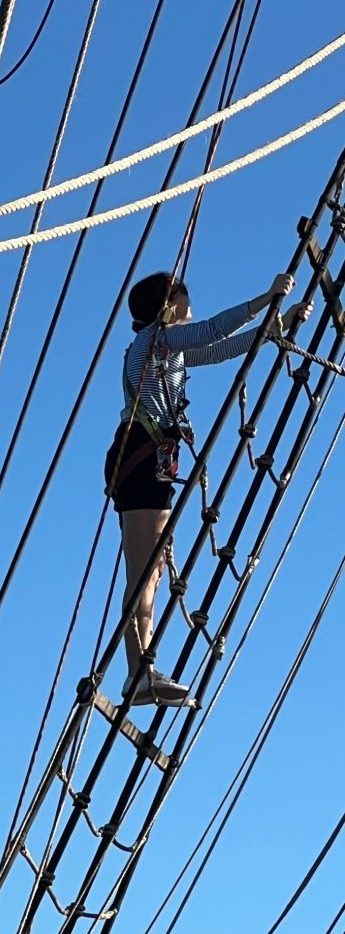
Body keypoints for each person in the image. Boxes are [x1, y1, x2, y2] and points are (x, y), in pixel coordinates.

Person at [104, 271, 312, 706]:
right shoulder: (155, 340)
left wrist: (279, 323)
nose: (190, 304)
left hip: (151, 460)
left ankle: (144, 669)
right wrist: (265, 298)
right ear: (168, 306)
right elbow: (213, 331)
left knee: (153, 571)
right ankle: (136, 673)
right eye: (184, 298)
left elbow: (219, 350)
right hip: (141, 456)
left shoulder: (166, 349)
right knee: (142, 569)